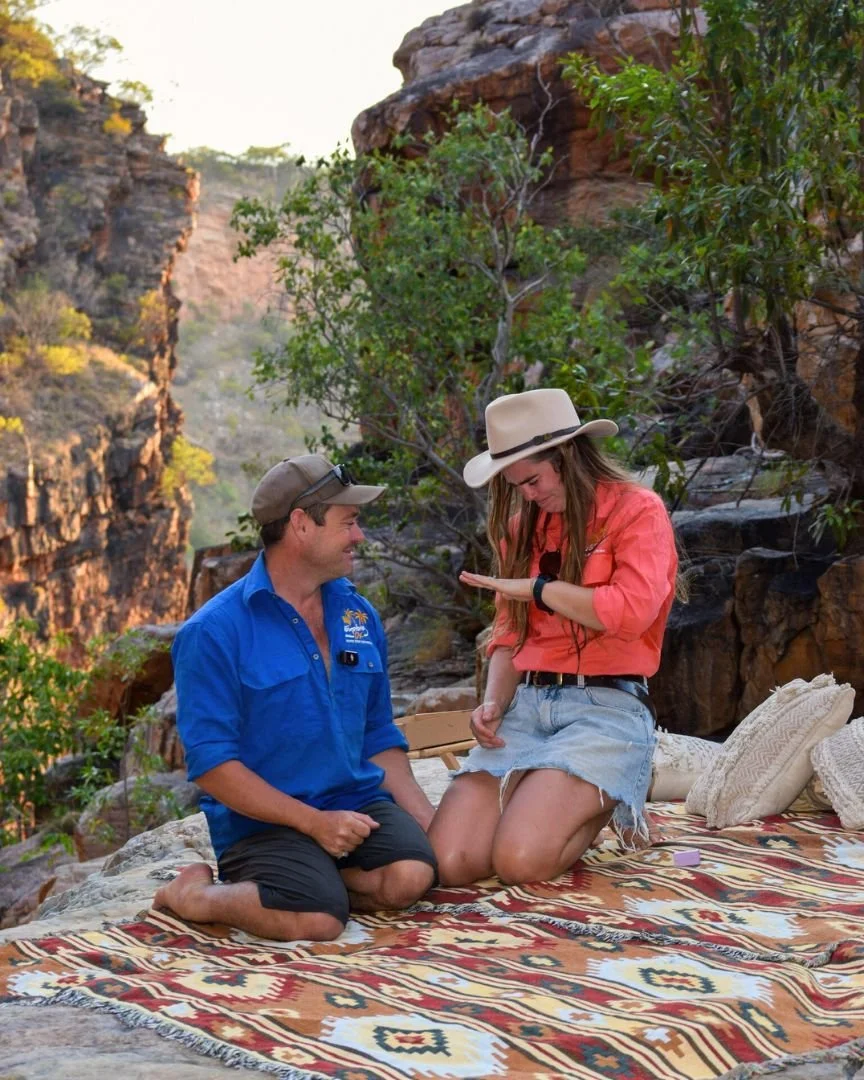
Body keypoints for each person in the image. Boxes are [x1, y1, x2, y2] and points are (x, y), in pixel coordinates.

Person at [155, 454, 437, 941]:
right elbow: (212, 765)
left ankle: (313, 883)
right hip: (263, 823)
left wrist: (428, 819)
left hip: (353, 802)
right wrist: (312, 823)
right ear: (301, 526)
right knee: (319, 921)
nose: (359, 536)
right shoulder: (214, 633)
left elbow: (377, 731)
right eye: (348, 523)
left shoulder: (357, 615)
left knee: (412, 876)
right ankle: (193, 896)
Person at [428, 388, 677, 887]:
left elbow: (629, 611)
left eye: (534, 479)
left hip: (607, 708)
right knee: (451, 863)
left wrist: (541, 589)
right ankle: (549, 789)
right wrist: (493, 704)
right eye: (517, 484)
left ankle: (608, 790)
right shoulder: (521, 529)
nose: (528, 494)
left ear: (568, 457)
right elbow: (508, 635)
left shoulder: (637, 511)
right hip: (529, 707)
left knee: (520, 862)